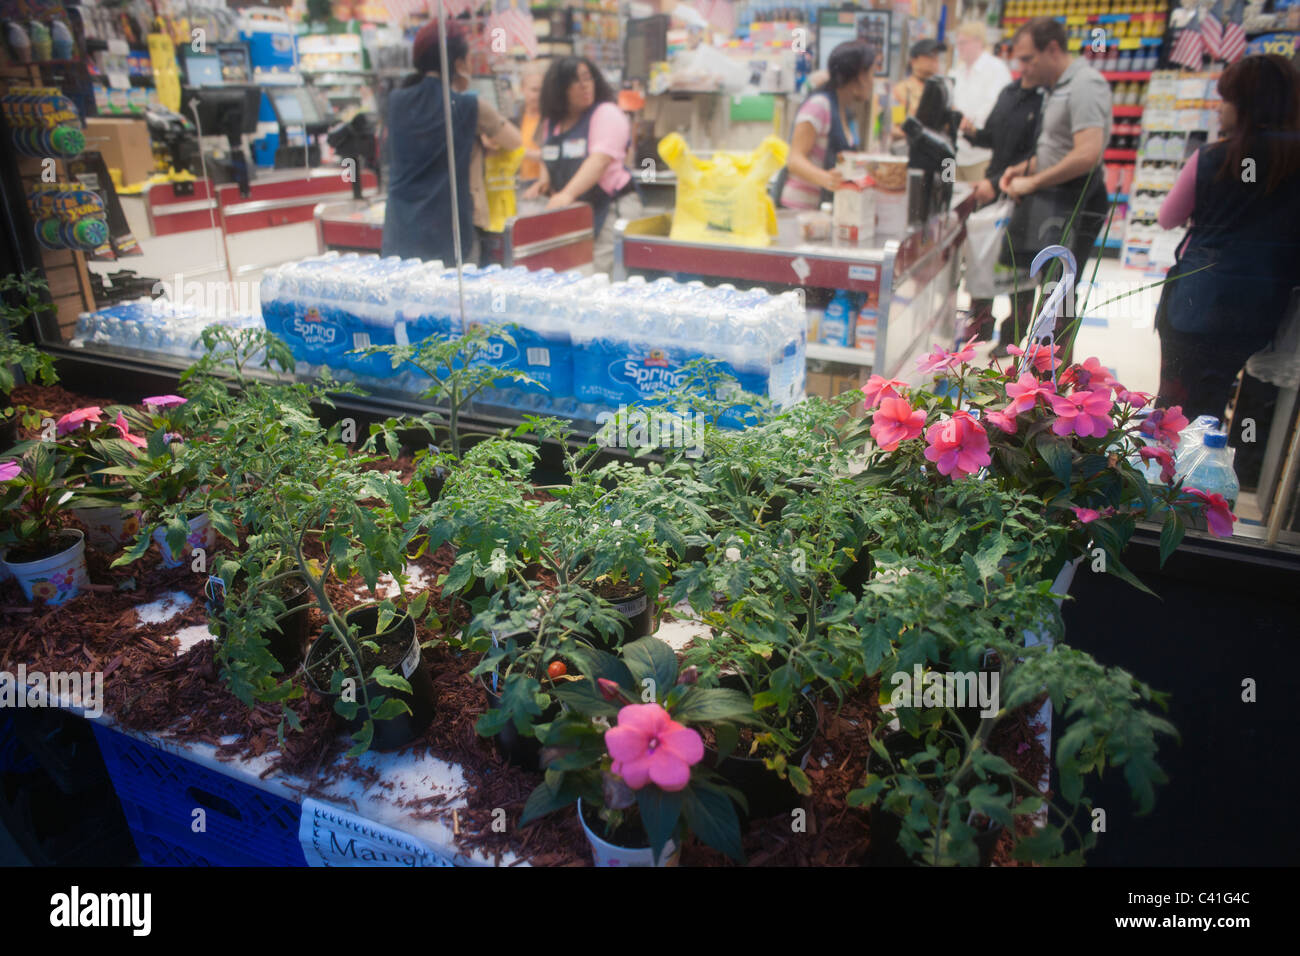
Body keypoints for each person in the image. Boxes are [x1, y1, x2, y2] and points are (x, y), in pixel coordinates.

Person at [1153, 54, 1300, 420]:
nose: (1220, 110)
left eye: (1227, 99)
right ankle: (1207, 469)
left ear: (1248, 105)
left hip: (1197, 300)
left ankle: (1163, 471)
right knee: (1213, 399)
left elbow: (1167, 217)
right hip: (1261, 306)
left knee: (1174, 405)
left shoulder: (1211, 158)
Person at [993, 17, 1112, 360]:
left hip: (1076, 200)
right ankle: (1040, 381)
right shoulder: (1057, 86)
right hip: (1054, 200)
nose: (1024, 69)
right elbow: (1057, 150)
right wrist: (1023, 169)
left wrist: (1033, 181)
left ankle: (1053, 388)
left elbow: (1087, 154)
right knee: (1049, 292)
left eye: (1029, 59)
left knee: (1060, 296)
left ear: (1053, 49)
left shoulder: (1085, 85)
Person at [382, 21, 521, 264]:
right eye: (468, 60)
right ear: (458, 64)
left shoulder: (396, 101)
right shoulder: (468, 105)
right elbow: (513, 140)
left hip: (401, 229)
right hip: (449, 233)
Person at [523, 56, 639, 274]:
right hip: (576, 212)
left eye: (587, 78)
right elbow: (550, 154)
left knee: (599, 276)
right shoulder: (553, 122)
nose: (584, 85)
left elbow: (600, 160)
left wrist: (566, 194)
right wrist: (544, 181)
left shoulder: (606, 113)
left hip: (611, 208)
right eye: (575, 81)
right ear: (559, 89)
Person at [958, 71, 1046, 341]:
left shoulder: (1047, 98)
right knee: (984, 260)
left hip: (1026, 193)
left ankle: (1012, 338)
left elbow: (1043, 154)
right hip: (995, 187)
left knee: (1019, 269)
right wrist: (972, 132)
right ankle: (979, 330)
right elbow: (995, 137)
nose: (1026, 65)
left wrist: (996, 183)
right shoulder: (1009, 93)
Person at [779, 40, 875, 210]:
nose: (873, 82)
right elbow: (794, 159)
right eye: (871, 74)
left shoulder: (845, 110)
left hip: (823, 211)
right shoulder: (819, 106)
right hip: (799, 210)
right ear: (859, 76)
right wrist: (827, 179)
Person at [949, 22, 1012, 184]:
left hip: (980, 156)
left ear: (978, 42)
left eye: (963, 43)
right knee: (947, 197)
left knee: (975, 202)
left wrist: (967, 122)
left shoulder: (996, 69)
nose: (959, 48)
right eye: (957, 43)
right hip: (953, 155)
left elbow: (994, 108)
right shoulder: (957, 71)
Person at [891, 38, 946, 146]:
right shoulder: (902, 90)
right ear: (914, 61)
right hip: (910, 148)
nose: (935, 60)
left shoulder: (941, 89)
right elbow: (895, 127)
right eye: (930, 56)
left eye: (936, 56)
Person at [516, 61, 546, 183]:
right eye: (534, 90)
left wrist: (519, 152)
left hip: (541, 185)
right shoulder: (515, 118)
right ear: (522, 88)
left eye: (542, 90)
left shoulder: (551, 119)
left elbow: (551, 155)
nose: (539, 95)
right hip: (519, 183)